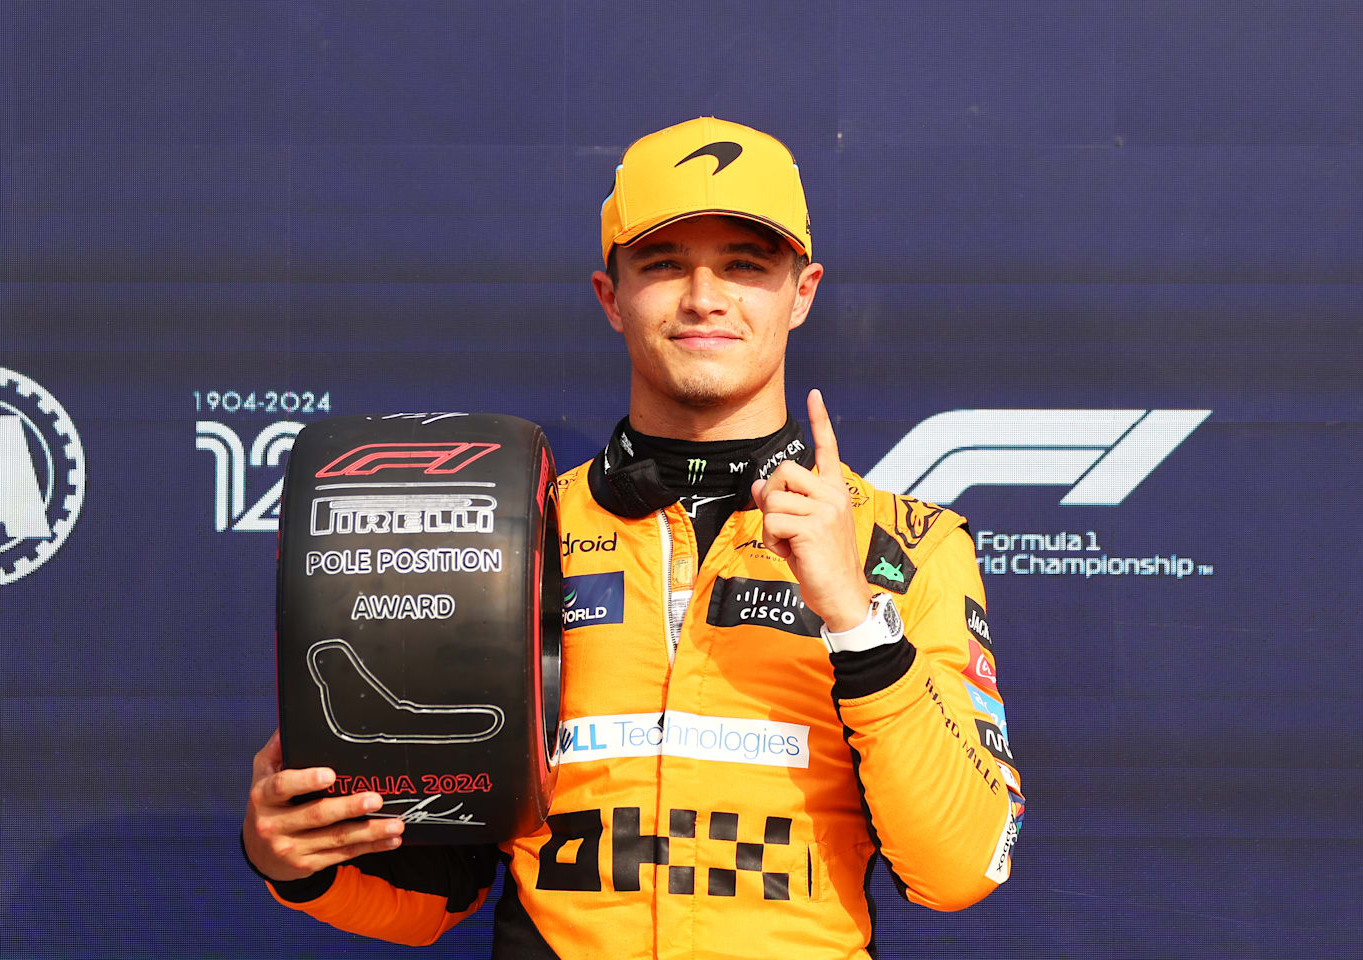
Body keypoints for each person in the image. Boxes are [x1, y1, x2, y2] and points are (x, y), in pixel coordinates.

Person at [242, 116, 1024, 958]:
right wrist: (296, 860)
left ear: (802, 293)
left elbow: (959, 867)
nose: (703, 297)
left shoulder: (909, 545)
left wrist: (855, 618)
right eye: (662, 265)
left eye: (745, 266)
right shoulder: (514, 530)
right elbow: (435, 889)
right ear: (610, 297)